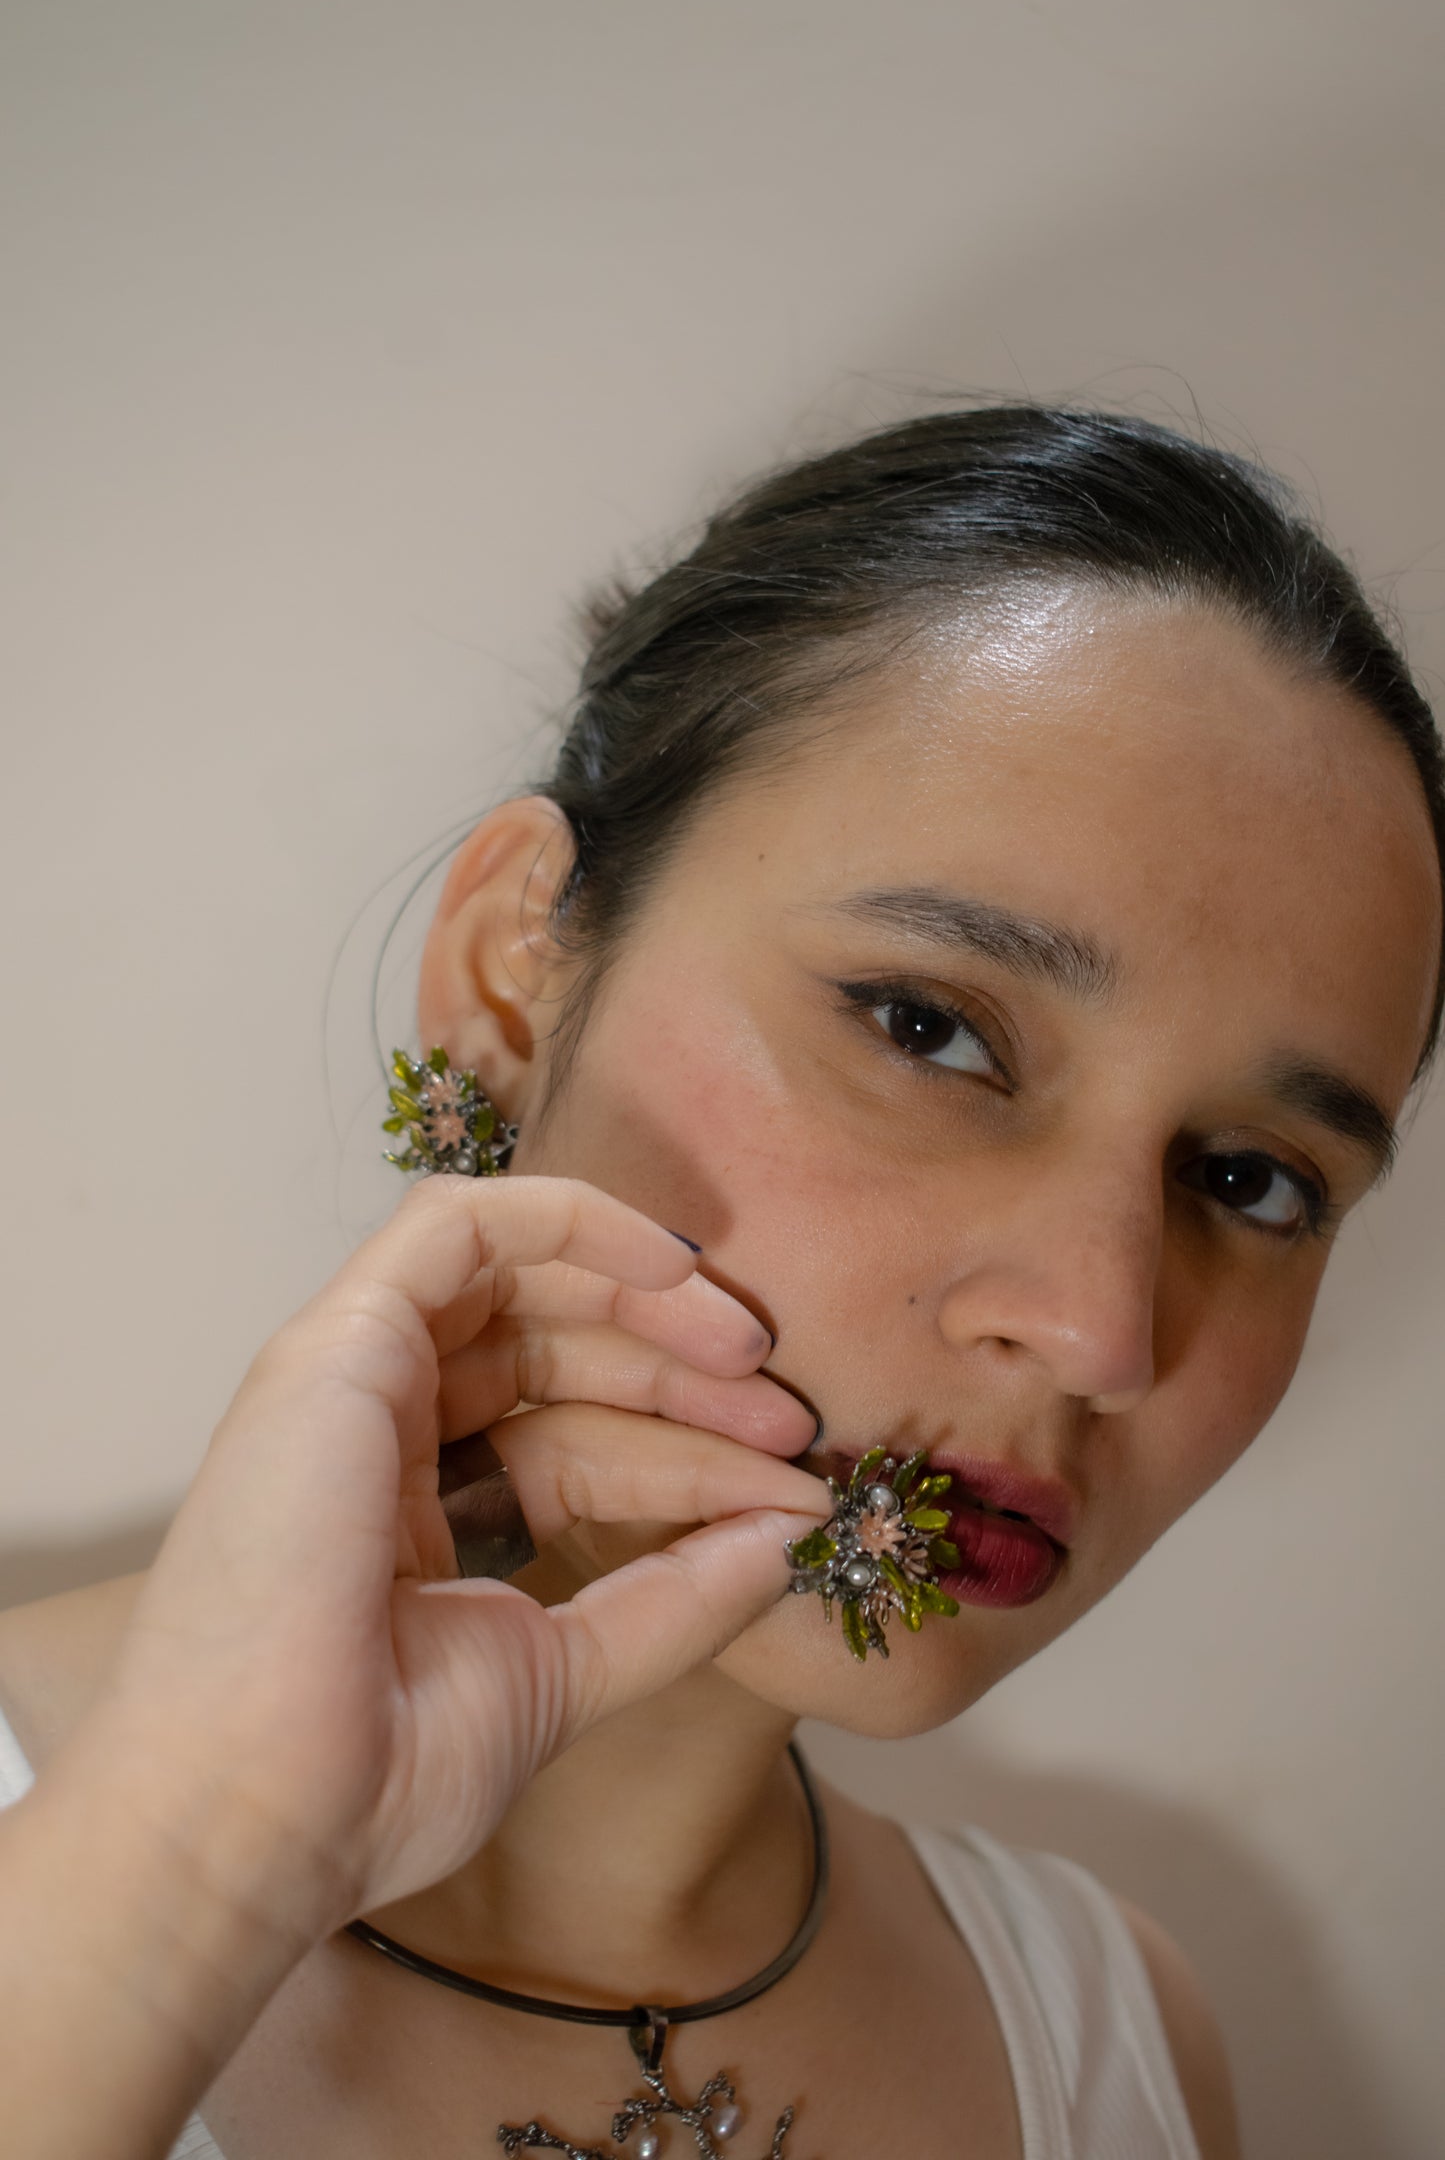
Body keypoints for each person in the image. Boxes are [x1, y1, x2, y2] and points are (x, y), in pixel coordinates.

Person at [1, 406, 1440, 2160]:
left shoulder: (1113, 2039)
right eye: (929, 1028)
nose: (1096, 1329)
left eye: (1247, 1181)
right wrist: (194, 1860)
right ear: (512, 976)